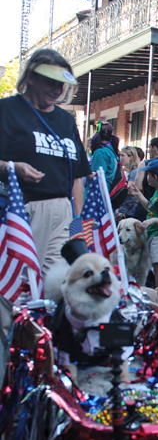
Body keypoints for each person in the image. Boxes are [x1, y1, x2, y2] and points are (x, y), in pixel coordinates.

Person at [0, 48, 89, 279]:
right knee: (16, 285)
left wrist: (77, 221)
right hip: (21, 209)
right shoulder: (6, 110)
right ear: (30, 77)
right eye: (51, 81)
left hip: (62, 211)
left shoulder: (66, 120)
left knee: (55, 284)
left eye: (61, 84)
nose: (58, 89)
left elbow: (77, 174)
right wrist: (11, 168)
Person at [129, 158, 158, 303]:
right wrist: (139, 195)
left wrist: (152, 221)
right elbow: (150, 207)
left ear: (154, 177)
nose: (146, 178)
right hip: (156, 236)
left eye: (148, 174)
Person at [89, 120, 119, 189]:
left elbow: (97, 176)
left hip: (98, 193)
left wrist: (83, 169)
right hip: (106, 191)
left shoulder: (100, 152)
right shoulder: (112, 150)